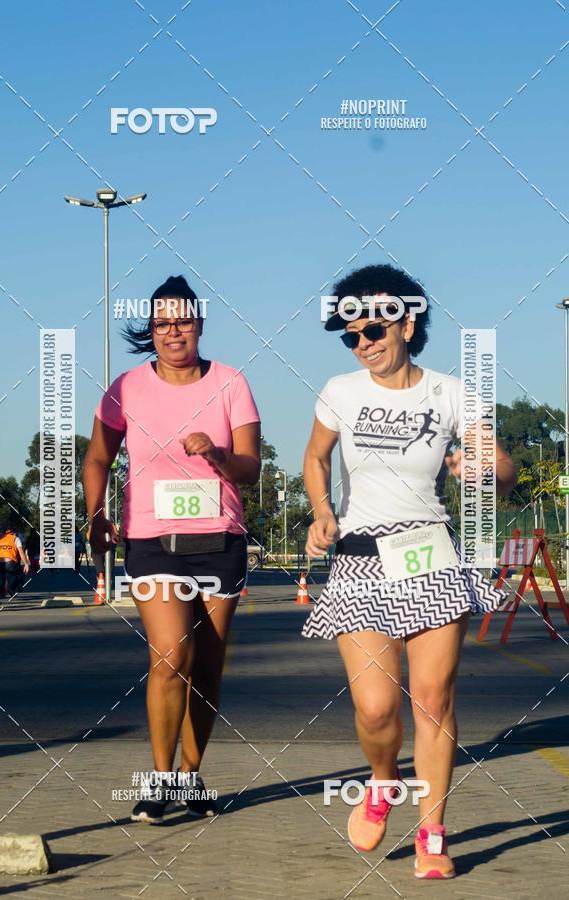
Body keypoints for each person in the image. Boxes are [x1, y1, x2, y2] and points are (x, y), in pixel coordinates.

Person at [302, 264, 516, 879]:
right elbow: (315, 458)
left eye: (373, 327)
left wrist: (480, 469)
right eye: (351, 336)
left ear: (407, 320)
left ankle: (432, 835)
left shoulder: (452, 392)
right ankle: (380, 780)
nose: (364, 342)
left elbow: (500, 466)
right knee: (375, 711)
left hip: (430, 557)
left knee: (432, 700)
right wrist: (322, 512)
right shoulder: (340, 392)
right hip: (361, 565)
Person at [83, 275, 260, 824]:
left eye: (183, 321)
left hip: (219, 540)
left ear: (200, 325)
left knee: (207, 667)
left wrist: (218, 457)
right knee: (169, 658)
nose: (173, 331)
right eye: (162, 323)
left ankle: (192, 774)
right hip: (152, 540)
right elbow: (97, 458)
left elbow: (251, 469)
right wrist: (95, 515)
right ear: (152, 329)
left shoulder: (231, 383)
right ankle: (160, 780)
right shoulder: (125, 389)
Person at [0, 528, 30, 598]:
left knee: (2, 576)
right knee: (21, 573)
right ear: (13, 533)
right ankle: (12, 588)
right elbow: (21, 552)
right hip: (9, 560)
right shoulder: (15, 538)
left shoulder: (0, 538)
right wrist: (26, 564)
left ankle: (1, 591)